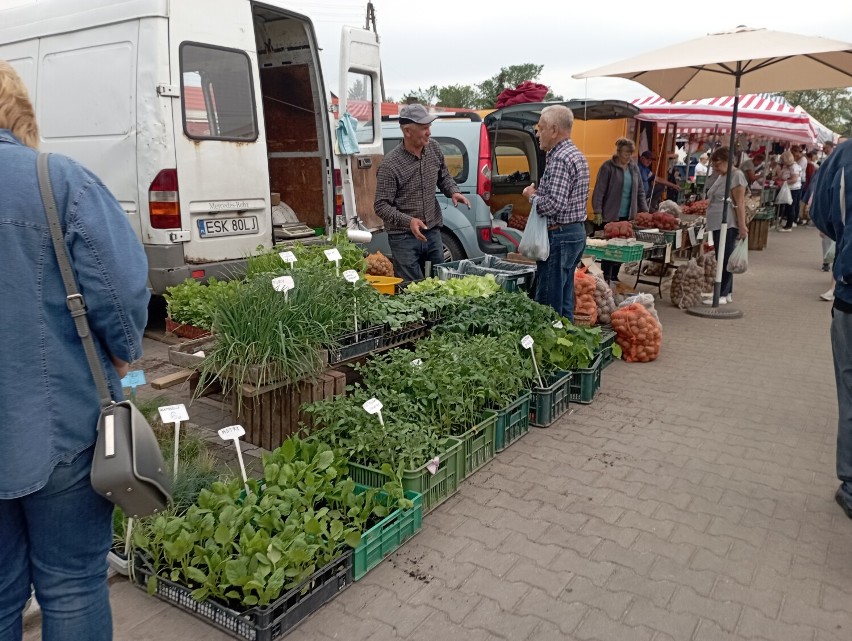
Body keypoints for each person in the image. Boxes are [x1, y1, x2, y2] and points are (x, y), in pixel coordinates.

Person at [0, 61, 149, 641]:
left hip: (48, 425)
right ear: (18, 111)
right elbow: (124, 289)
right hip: (59, 426)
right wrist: (119, 356)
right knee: (71, 583)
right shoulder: (56, 180)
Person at [374, 103, 470, 282]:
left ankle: (438, 312)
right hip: (403, 238)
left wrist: (453, 191)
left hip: (432, 231)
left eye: (429, 127)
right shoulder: (390, 165)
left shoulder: (433, 148)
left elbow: (444, 177)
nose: (429, 132)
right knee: (413, 289)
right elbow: (381, 206)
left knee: (439, 281)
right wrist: (408, 221)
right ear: (408, 131)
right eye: (424, 128)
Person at [809, 138, 852, 519]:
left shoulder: (845, 155)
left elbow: (820, 211)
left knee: (851, 389)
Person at [521, 105, 589, 321]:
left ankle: (550, 349)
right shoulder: (575, 154)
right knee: (564, 299)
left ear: (553, 129)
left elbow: (554, 205)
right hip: (574, 233)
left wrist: (530, 196)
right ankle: (566, 343)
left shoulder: (560, 158)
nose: (537, 133)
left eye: (540, 128)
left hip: (559, 236)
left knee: (549, 303)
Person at [591, 137, 649, 284]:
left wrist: (645, 212)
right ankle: (606, 275)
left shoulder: (633, 168)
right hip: (611, 214)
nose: (628, 156)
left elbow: (640, 191)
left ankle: (615, 275)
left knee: (623, 247)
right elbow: (599, 190)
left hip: (627, 215)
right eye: (626, 152)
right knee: (609, 248)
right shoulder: (607, 167)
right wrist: (597, 210)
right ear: (618, 152)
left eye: (631, 153)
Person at [701, 147, 748, 305]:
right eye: (713, 164)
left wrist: (742, 226)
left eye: (718, 163)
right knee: (722, 256)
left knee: (724, 257)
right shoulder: (723, 175)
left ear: (729, 161)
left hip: (727, 223)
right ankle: (727, 292)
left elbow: (739, 203)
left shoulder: (737, 176)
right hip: (717, 222)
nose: (714, 167)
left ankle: (721, 294)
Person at [776, 149, 802, 232]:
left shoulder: (794, 167)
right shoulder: (788, 166)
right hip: (790, 188)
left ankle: (789, 225)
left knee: (790, 206)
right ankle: (788, 223)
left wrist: (784, 182)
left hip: (793, 189)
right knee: (789, 206)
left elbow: (794, 179)